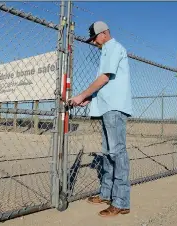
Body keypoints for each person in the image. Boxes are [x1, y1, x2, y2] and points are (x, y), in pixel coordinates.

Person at [68, 21, 133, 217]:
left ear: (104, 33)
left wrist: (81, 95)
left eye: (95, 38)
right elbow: (106, 83)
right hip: (106, 107)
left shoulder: (114, 48)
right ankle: (106, 193)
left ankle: (121, 201)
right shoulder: (106, 50)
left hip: (114, 107)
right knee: (107, 152)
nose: (94, 42)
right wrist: (90, 97)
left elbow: (105, 77)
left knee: (117, 152)